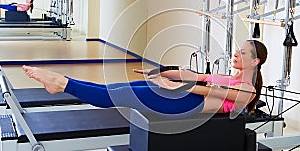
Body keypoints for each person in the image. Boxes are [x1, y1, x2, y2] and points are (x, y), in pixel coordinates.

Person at [23, 40, 267, 116]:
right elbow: (193, 75)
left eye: (243, 53)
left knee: (118, 96)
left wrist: (174, 87)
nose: (236, 53)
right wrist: (159, 72)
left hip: (188, 104)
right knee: (118, 87)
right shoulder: (228, 75)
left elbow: (209, 91)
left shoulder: (248, 90)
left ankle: (61, 83)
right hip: (183, 95)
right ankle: (62, 83)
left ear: (255, 62)